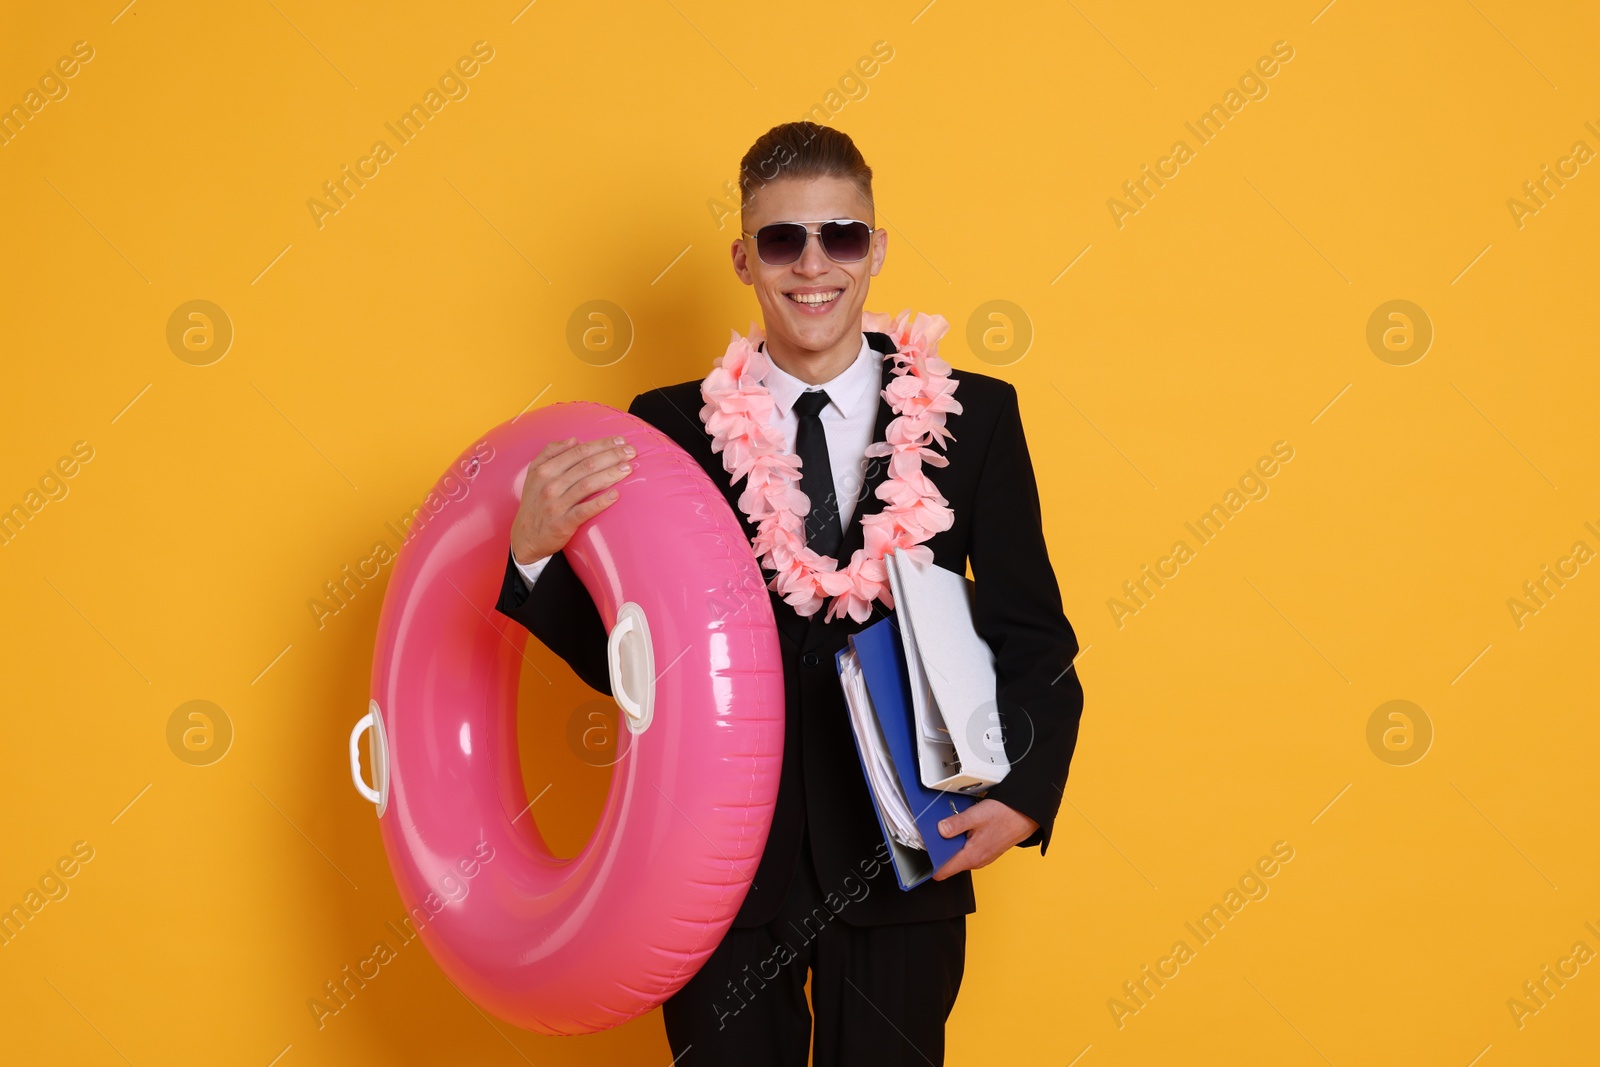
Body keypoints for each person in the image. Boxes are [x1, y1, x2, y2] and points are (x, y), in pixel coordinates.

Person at [493, 121, 1084, 1066]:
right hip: (715, 876)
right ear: (744, 258)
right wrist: (531, 558)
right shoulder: (669, 427)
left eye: (841, 235)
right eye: (783, 240)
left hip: (902, 865)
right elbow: (635, 659)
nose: (814, 265)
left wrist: (1023, 793)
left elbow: (1035, 636)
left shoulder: (976, 416)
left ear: (877, 248)